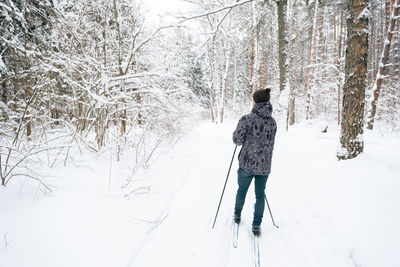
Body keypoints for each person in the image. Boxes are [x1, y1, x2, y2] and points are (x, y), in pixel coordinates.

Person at [232, 88, 277, 236]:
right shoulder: (272, 123)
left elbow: (237, 140)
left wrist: (236, 134)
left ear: (255, 101)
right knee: (260, 194)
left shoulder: (247, 119)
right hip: (264, 166)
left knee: (242, 190)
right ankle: (256, 225)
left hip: (246, 164)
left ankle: (237, 215)